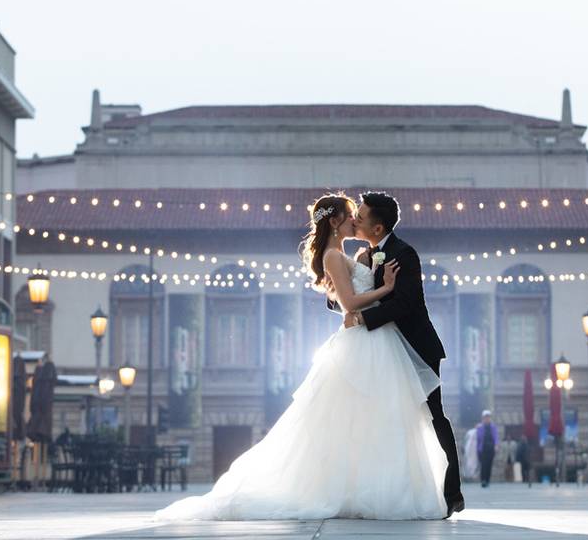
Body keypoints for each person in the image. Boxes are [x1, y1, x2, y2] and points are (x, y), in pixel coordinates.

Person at [156, 193, 450, 521]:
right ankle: (358, 490)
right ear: (336, 220)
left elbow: (348, 300)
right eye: (352, 214)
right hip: (365, 341)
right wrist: (385, 288)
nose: (356, 220)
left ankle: (373, 487)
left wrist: (368, 273)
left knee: (375, 418)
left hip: (376, 341)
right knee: (361, 417)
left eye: (359, 215)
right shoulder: (334, 256)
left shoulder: (352, 253)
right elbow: (350, 304)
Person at [343, 191, 465, 516]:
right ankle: (393, 488)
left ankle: (452, 491)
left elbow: (405, 303)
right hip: (383, 352)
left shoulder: (404, 253)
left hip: (416, 347)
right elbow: (353, 294)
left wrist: (362, 317)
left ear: (379, 227)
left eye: (362, 216)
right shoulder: (364, 255)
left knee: (433, 415)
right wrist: (342, 301)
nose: (355, 219)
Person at [476, 410, 498, 487]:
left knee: (489, 464)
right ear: (483, 418)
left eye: (488, 417)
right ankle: (483, 480)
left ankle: (487, 480)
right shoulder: (480, 427)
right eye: (485, 417)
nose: (487, 419)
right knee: (483, 465)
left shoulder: (493, 427)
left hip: (491, 448)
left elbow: (495, 437)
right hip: (483, 449)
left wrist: (496, 445)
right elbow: (478, 438)